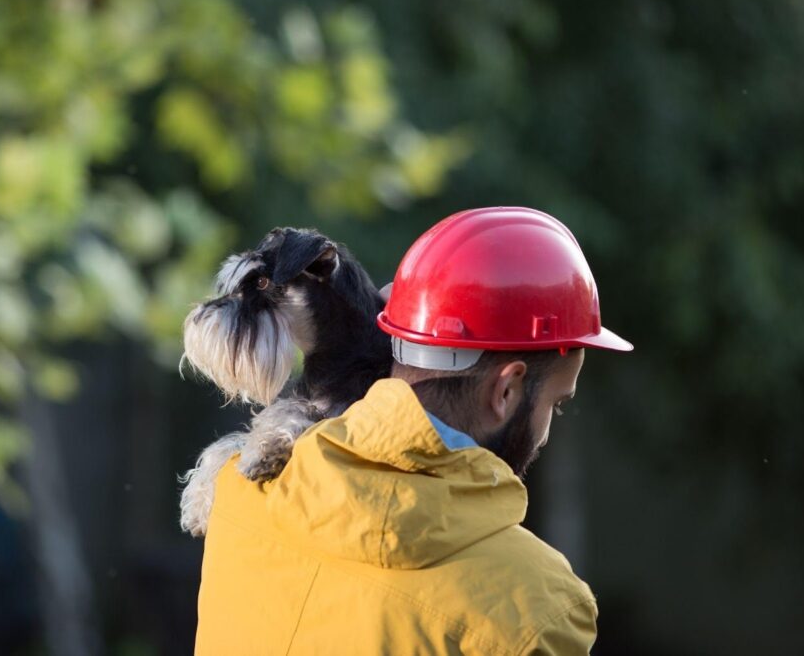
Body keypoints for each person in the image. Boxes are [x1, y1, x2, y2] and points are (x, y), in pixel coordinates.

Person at [194, 207, 632, 654]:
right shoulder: (542, 610)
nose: (546, 430)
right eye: (556, 405)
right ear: (507, 389)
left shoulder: (233, 494)